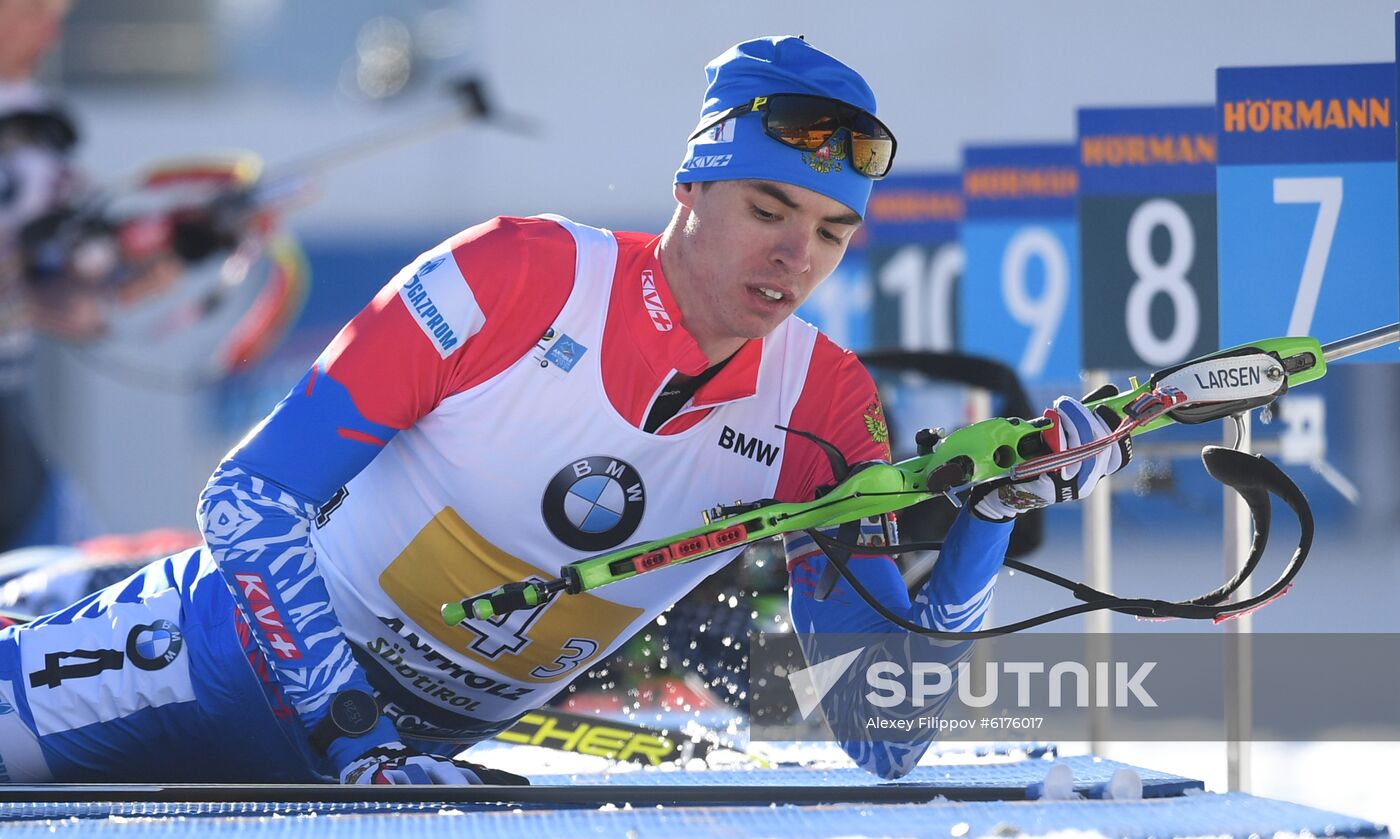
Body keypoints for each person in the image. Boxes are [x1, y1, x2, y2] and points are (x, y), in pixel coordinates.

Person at [0, 35, 1126, 785]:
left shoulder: (825, 406)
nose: (794, 255)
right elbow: (246, 497)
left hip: (403, 763)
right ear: (690, 185)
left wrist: (990, 517)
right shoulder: (514, 274)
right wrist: (352, 733)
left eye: (831, 232)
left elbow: (883, 738)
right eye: (766, 207)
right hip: (198, 661)